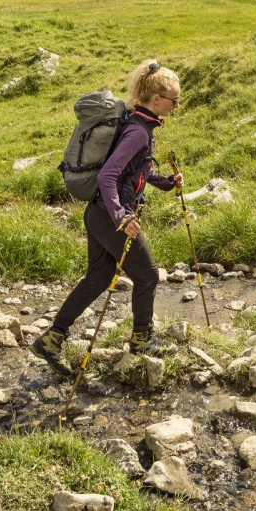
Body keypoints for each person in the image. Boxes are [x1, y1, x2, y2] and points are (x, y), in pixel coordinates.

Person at [32, 59, 184, 371]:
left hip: (99, 214)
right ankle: (142, 340)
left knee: (98, 278)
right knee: (148, 276)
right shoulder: (138, 132)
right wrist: (122, 217)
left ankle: (50, 340)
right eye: (174, 100)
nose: (177, 105)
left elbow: (137, 171)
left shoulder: (140, 124)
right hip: (111, 217)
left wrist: (166, 183)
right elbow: (108, 176)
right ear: (156, 100)